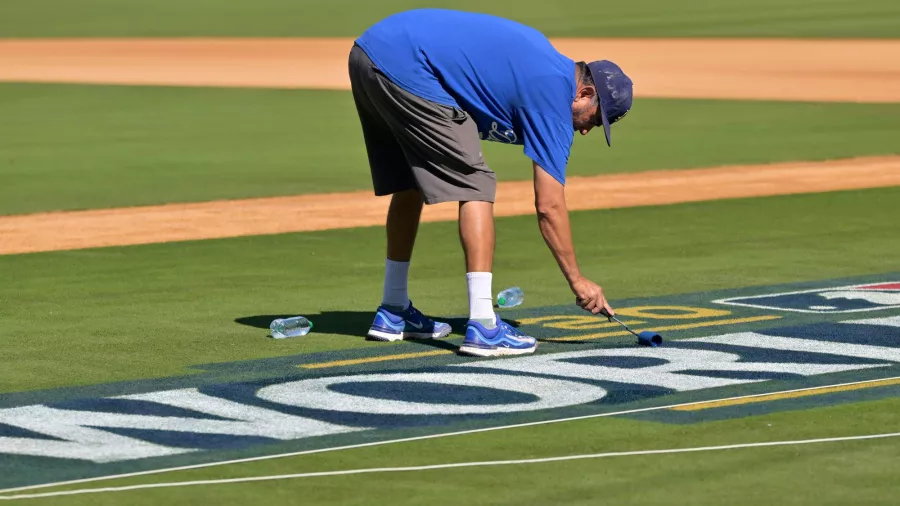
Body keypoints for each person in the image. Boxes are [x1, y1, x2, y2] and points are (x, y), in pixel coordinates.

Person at [349, 9, 633, 357]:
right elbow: (549, 206)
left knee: (411, 179)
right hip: (408, 66)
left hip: (369, 53)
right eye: (595, 118)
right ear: (585, 92)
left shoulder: (545, 67)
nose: (587, 129)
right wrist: (577, 280)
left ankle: (393, 310)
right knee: (477, 184)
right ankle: (484, 326)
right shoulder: (553, 92)